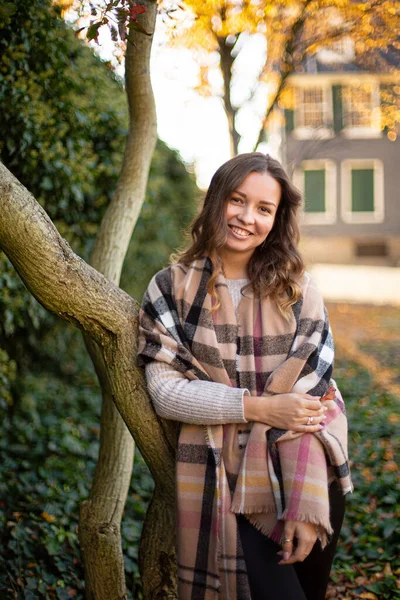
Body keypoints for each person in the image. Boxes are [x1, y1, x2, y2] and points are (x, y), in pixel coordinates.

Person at [137, 152, 353, 600]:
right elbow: (166, 393)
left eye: (264, 209)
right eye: (237, 200)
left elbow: (315, 395)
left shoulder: (298, 290)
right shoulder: (170, 289)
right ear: (216, 201)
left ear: (277, 219)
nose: (246, 218)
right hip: (221, 479)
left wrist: (302, 503)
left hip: (307, 481)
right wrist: (259, 407)